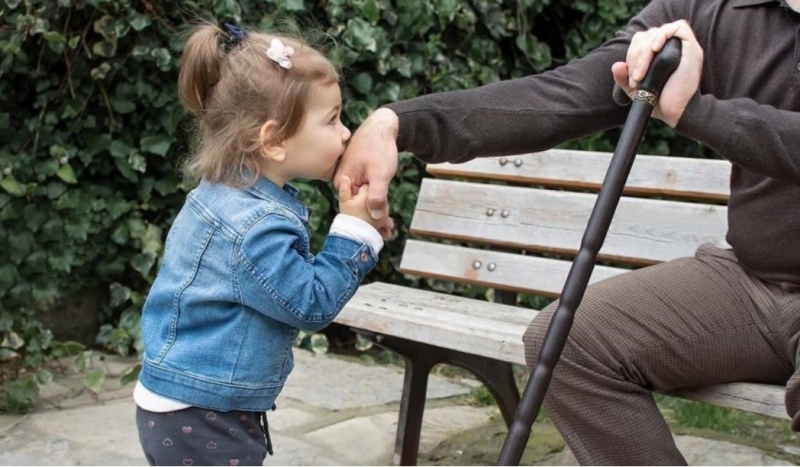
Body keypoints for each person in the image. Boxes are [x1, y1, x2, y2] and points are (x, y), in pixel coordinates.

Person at [336, 0, 800, 464]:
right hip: (750, 281)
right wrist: (397, 124)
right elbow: (566, 95)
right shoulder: (710, 9)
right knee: (570, 345)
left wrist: (696, 113)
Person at [133, 22, 391, 466]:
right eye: (332, 120)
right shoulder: (255, 226)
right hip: (204, 413)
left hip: (192, 403)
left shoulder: (222, 193)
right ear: (272, 140)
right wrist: (355, 231)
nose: (346, 133)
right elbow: (309, 304)